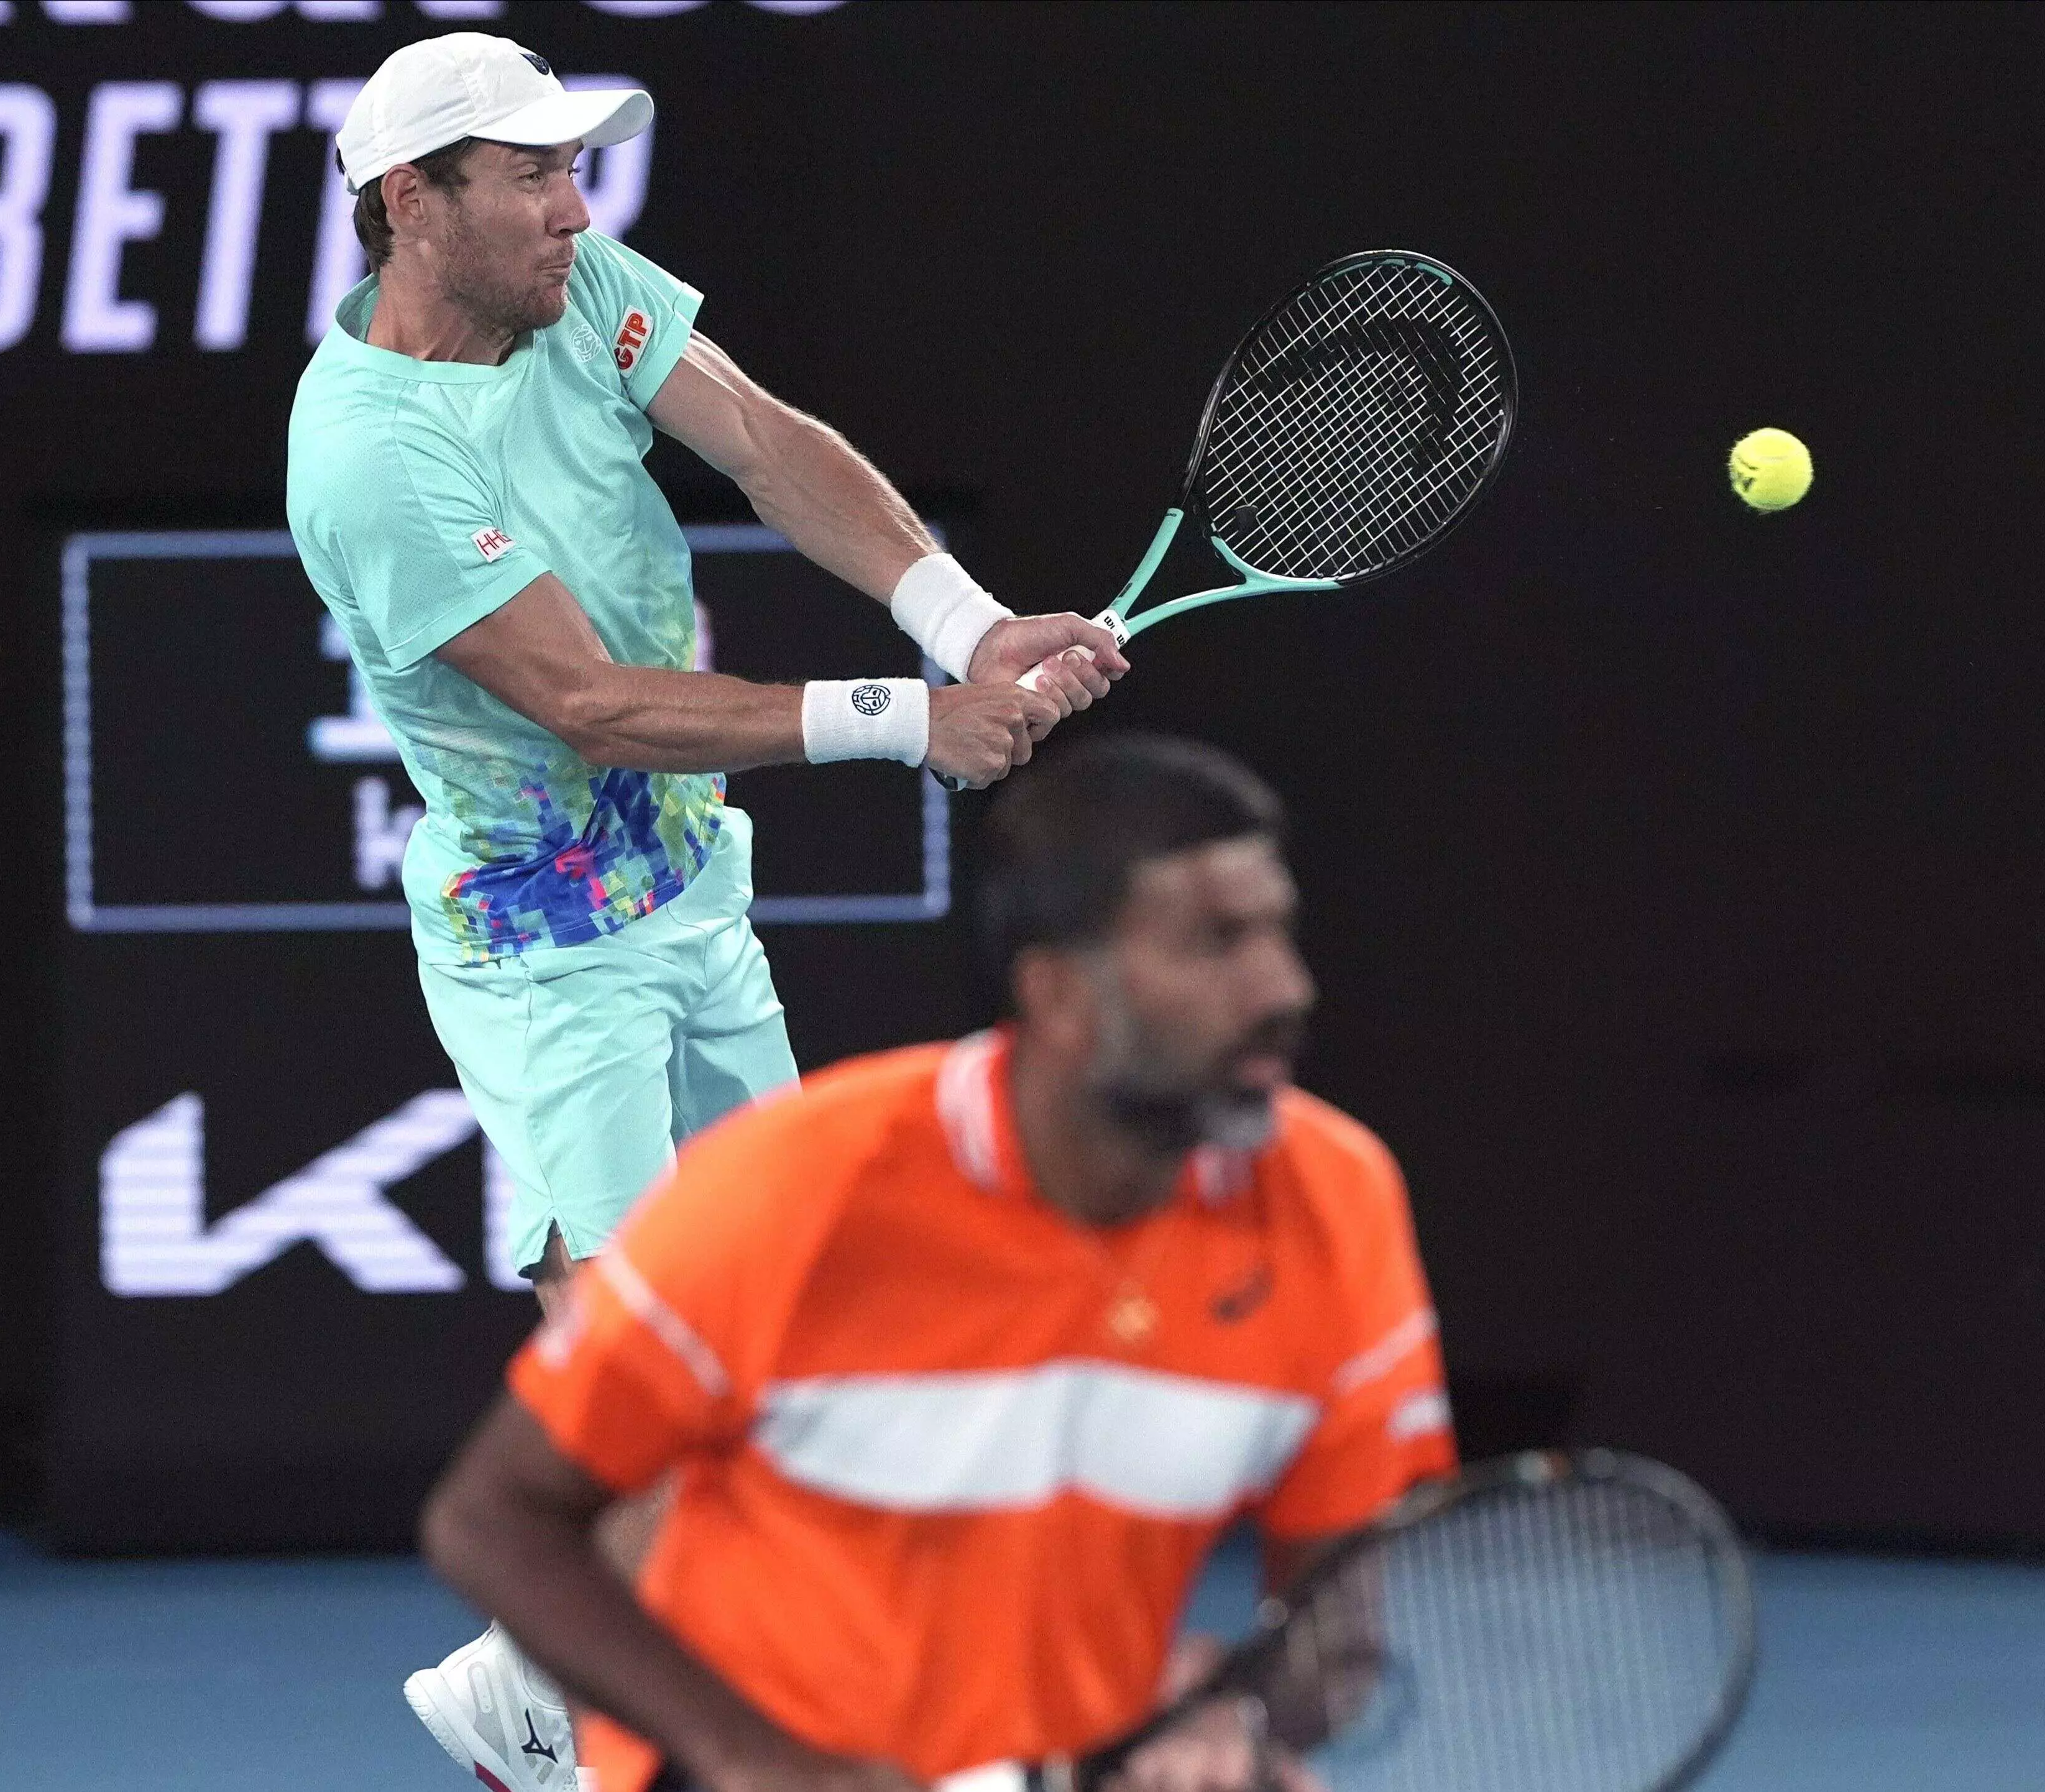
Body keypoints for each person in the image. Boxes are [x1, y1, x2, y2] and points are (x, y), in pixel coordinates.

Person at [282, 32, 1128, 1790]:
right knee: (643, 1334)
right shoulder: (367, 454)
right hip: (543, 948)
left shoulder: (574, 285)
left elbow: (759, 440)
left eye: (575, 167)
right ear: (405, 206)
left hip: (690, 889)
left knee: (791, 1316)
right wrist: (910, 722)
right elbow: (590, 704)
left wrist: (963, 625)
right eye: (529, 176)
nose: (573, 209)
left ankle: (528, 1669)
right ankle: (631, 1735)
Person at [420, 735, 1458, 1792]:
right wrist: (762, 1762)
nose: (1283, 986)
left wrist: (1233, 1716)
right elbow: (493, 1517)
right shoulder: (802, 1188)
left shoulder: (1336, 1200)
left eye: (1278, 931)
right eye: (1217, 943)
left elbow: (1338, 1637)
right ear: (1060, 995)